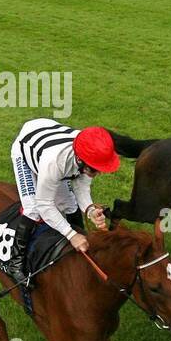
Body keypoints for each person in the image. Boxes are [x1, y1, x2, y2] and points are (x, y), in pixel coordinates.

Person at [6, 119, 120, 311]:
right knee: (33, 208)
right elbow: (45, 205)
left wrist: (90, 210)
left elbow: (81, 187)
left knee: (69, 203)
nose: (97, 173)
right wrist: (71, 235)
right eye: (94, 169)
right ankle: (15, 263)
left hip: (49, 139)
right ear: (81, 160)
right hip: (26, 150)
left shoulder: (86, 155)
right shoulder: (55, 163)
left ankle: (82, 249)